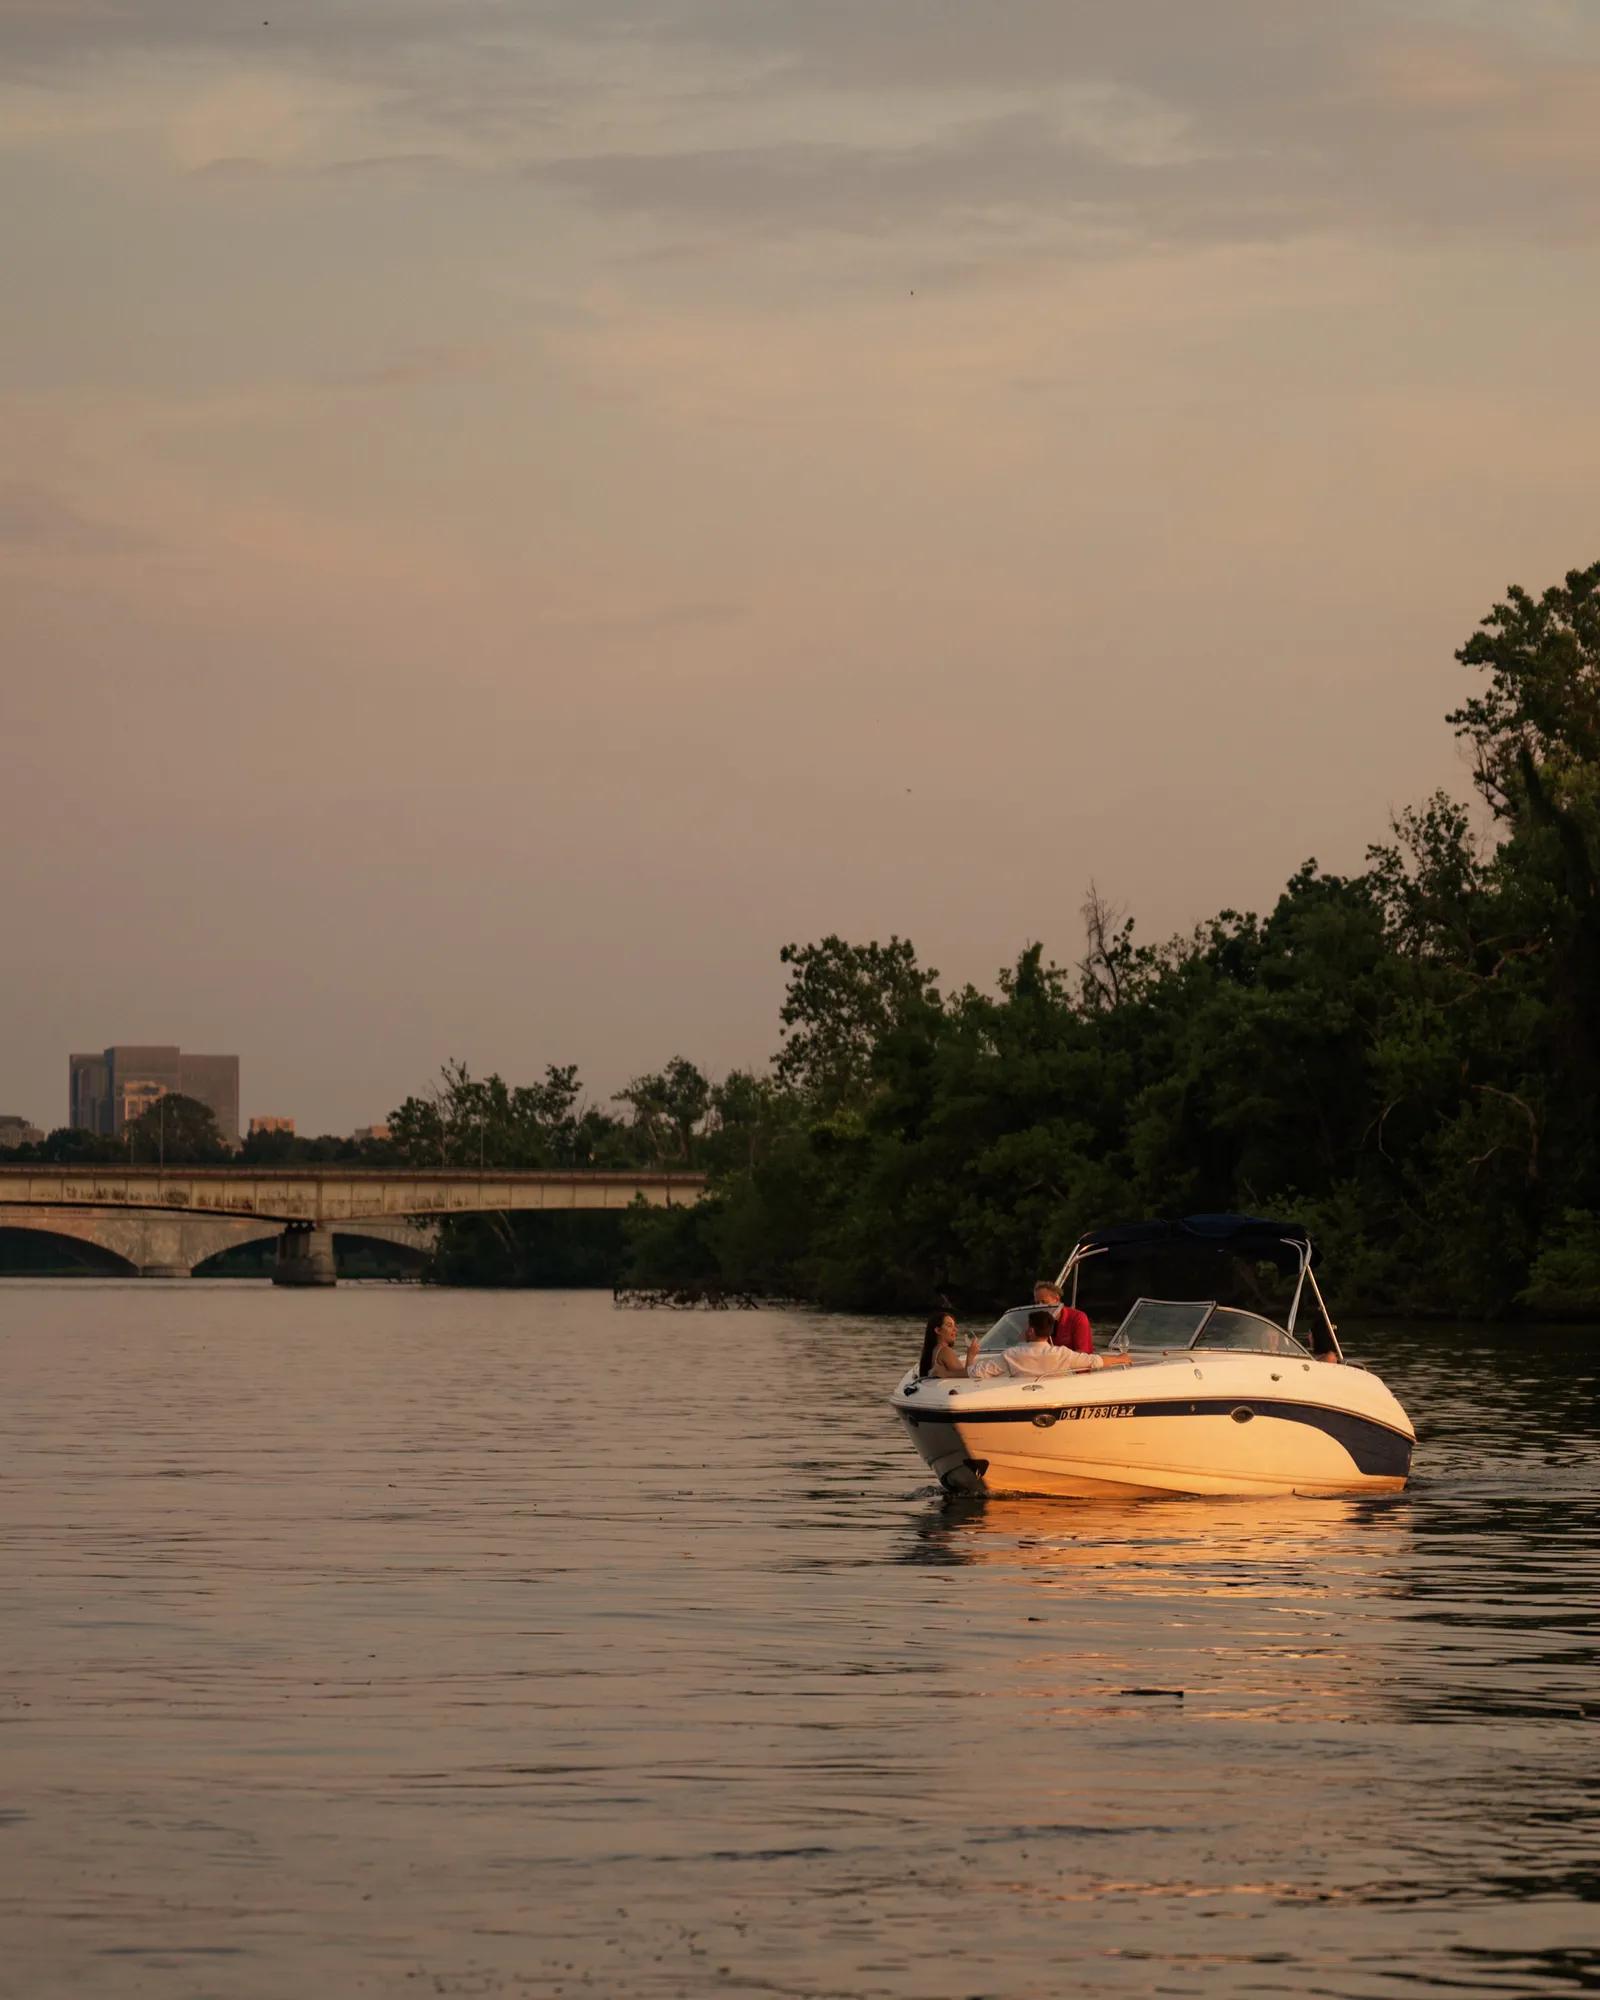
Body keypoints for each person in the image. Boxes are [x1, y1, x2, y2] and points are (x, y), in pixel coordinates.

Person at [968, 1307, 1131, 1379]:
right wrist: (1121, 1359)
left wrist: (970, 1356)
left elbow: (974, 1372)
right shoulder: (1062, 1353)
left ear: (1031, 1331)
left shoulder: (1011, 1354)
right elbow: (1094, 1361)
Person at [1035, 1278, 1093, 1353]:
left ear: (1056, 1299)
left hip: (1073, 1363)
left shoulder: (1078, 1318)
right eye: (1037, 1303)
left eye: (1043, 1302)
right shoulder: (1036, 1321)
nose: (1040, 1306)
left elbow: (1083, 1352)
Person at [918, 1310, 978, 1380]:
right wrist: (971, 1355)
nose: (955, 1329)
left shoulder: (933, 1350)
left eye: (954, 1326)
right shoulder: (945, 1351)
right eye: (949, 1325)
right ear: (938, 1330)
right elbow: (966, 1376)